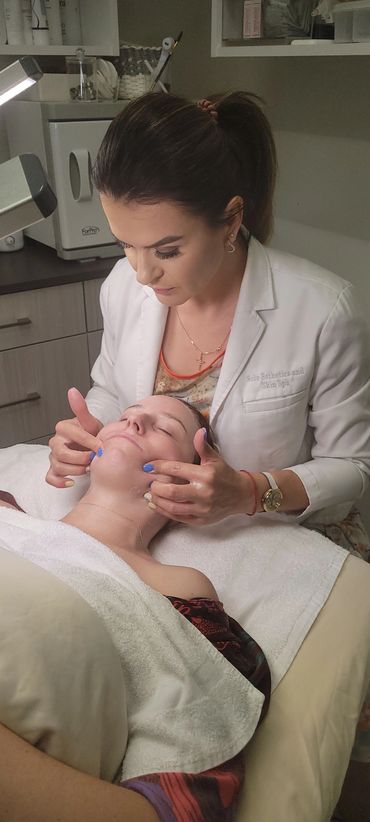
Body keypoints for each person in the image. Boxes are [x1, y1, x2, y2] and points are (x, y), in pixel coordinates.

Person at [44, 90, 370, 561]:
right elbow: (110, 392)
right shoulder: (123, 286)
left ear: (230, 220)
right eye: (125, 245)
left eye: (167, 251)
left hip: (278, 537)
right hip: (165, 535)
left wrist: (251, 492)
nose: (142, 272)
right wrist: (86, 435)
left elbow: (353, 467)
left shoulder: (323, 309)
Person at [0, 393, 271, 822]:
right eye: (125, 417)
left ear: (189, 481)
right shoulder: (8, 514)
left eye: (164, 428)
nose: (134, 424)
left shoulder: (175, 594)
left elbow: (179, 803)